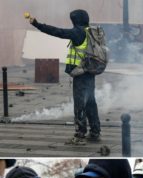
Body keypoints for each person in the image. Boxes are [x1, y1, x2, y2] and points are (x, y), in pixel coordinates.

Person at [27, 10, 101, 144]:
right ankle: (95, 131)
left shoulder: (78, 32)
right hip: (90, 72)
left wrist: (37, 24)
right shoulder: (91, 31)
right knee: (90, 102)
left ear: (76, 20)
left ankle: (80, 135)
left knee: (80, 105)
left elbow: (57, 32)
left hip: (81, 74)